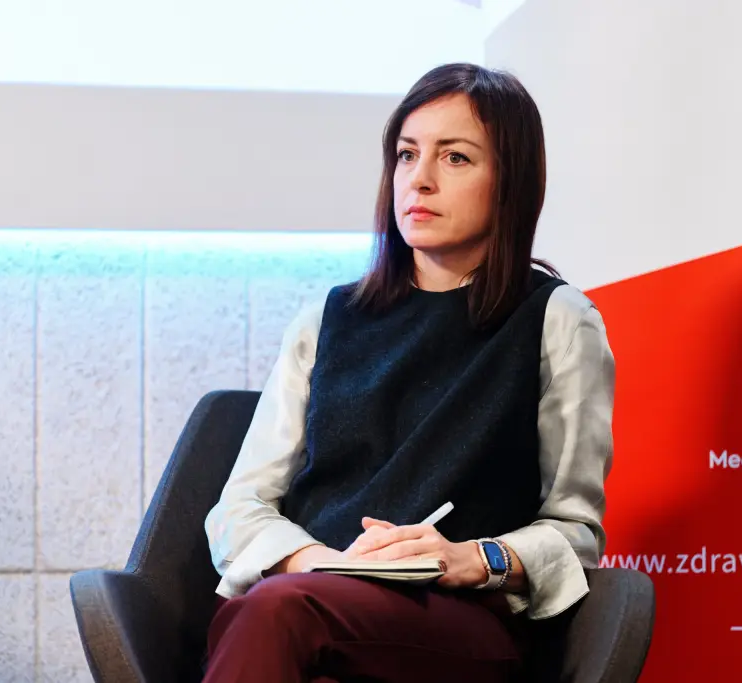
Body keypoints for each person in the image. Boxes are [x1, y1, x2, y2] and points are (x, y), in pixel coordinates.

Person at [202, 62, 615, 682]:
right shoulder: (325, 319)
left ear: (510, 181)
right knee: (279, 621)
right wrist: (317, 564)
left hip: (456, 621)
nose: (419, 179)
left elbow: (574, 533)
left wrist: (473, 559)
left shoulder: (557, 319)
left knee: (272, 618)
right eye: (406, 154)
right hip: (304, 602)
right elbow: (240, 506)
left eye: (455, 158)